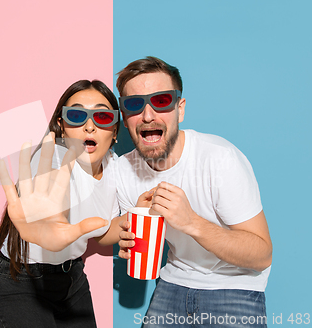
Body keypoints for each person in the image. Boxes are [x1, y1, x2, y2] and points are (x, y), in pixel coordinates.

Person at [116, 57, 272, 327]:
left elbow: (261, 255)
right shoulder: (123, 170)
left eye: (162, 101)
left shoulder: (219, 159)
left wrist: (191, 223)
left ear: (181, 109)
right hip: (172, 282)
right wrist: (128, 236)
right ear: (124, 117)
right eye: (134, 104)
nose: (148, 115)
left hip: (234, 285)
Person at [0, 79, 126, 328]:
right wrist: (48, 225)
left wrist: (132, 221)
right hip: (19, 281)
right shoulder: (52, 160)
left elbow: (102, 232)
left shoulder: (113, 166)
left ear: (114, 131)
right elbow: (47, 188)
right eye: (77, 115)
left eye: (102, 116)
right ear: (61, 126)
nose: (89, 126)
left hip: (71, 279)